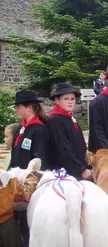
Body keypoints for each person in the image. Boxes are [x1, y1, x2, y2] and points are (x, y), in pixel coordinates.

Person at [9, 90, 49, 247]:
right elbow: (15, 158)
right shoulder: (20, 129)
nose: (17, 109)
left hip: (31, 186)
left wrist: (29, 185)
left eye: (19, 106)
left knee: (30, 226)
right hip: (17, 184)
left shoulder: (39, 130)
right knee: (20, 225)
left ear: (30, 107)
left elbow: (40, 160)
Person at [47, 83, 91, 180]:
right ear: (57, 100)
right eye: (66, 99)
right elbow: (63, 149)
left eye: (72, 99)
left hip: (78, 168)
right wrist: (81, 169)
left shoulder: (69, 117)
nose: (70, 102)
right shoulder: (55, 120)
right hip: (66, 172)